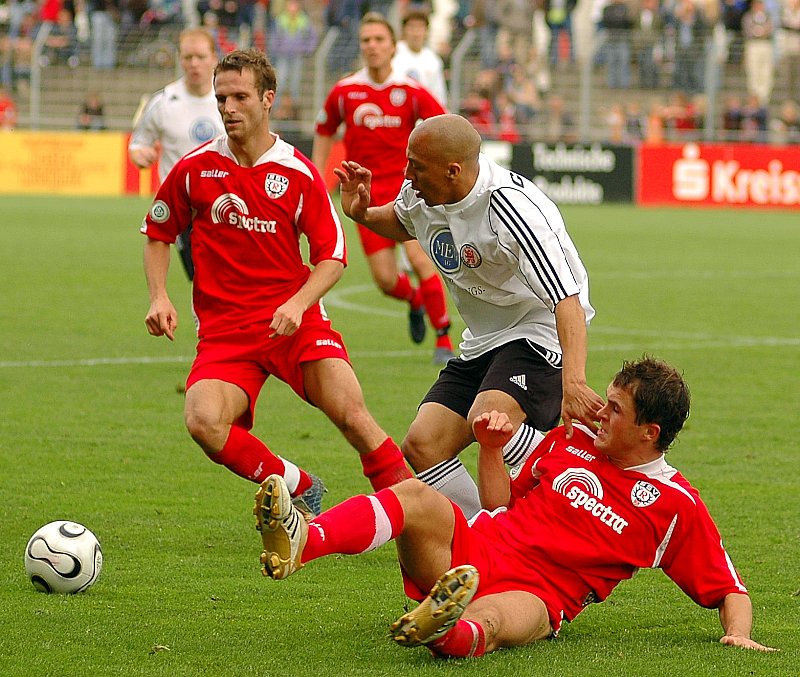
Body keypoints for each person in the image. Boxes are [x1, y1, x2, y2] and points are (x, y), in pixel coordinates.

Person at [254, 357, 777, 658]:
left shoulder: (674, 505)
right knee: (418, 497)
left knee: (503, 617)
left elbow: (729, 586)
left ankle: (445, 628)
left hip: (542, 593)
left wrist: (739, 634)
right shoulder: (570, 441)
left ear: (649, 431)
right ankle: (303, 539)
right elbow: (500, 502)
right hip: (479, 547)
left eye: (614, 409)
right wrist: (487, 446)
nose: (599, 410)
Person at [141, 49, 412, 516]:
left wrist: (297, 305)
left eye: (240, 97)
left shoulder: (297, 172)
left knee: (353, 416)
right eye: (221, 97)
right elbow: (159, 232)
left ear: (268, 99)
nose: (228, 108)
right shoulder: (195, 169)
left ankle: (418, 512)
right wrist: (159, 295)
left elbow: (333, 257)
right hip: (227, 332)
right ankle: (297, 483)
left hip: (296, 321)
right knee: (203, 421)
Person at [333, 113, 603, 518]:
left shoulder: (511, 210)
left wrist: (574, 383)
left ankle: (583, 473)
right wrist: (364, 214)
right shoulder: (423, 193)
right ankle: (482, 535)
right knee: (423, 444)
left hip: (538, 330)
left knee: (486, 418)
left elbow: (567, 299)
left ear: (453, 171)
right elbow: (404, 222)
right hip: (483, 338)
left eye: (416, 166)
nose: (407, 174)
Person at [313, 12, 456, 365]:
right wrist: (318, 175)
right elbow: (325, 129)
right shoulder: (346, 91)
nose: (372, 46)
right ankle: (415, 301)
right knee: (386, 280)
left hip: (409, 193)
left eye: (379, 40)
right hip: (367, 198)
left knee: (424, 260)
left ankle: (444, 338)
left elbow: (444, 126)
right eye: (366, 40)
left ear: (393, 47)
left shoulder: (409, 91)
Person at [129, 28, 225, 281]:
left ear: (214, 58)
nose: (194, 64)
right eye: (188, 57)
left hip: (227, 203)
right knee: (204, 281)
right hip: (185, 210)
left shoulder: (229, 99)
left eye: (201, 57)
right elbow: (138, 142)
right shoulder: (163, 102)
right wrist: (140, 155)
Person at [391, 9, 448, 106]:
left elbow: (439, 94)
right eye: (412, 27)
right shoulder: (393, 53)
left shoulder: (433, 59)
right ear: (404, 30)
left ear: (427, 31)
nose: (416, 33)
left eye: (420, 27)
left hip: (424, 116)